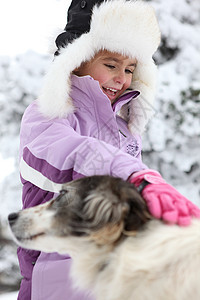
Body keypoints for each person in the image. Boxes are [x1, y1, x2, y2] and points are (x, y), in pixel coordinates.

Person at [17, 0, 200, 299]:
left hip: (108, 273)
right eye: (111, 65)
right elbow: (72, 154)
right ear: (77, 59)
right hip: (56, 273)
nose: (122, 78)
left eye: (130, 68)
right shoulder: (48, 114)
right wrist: (135, 177)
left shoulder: (124, 129)